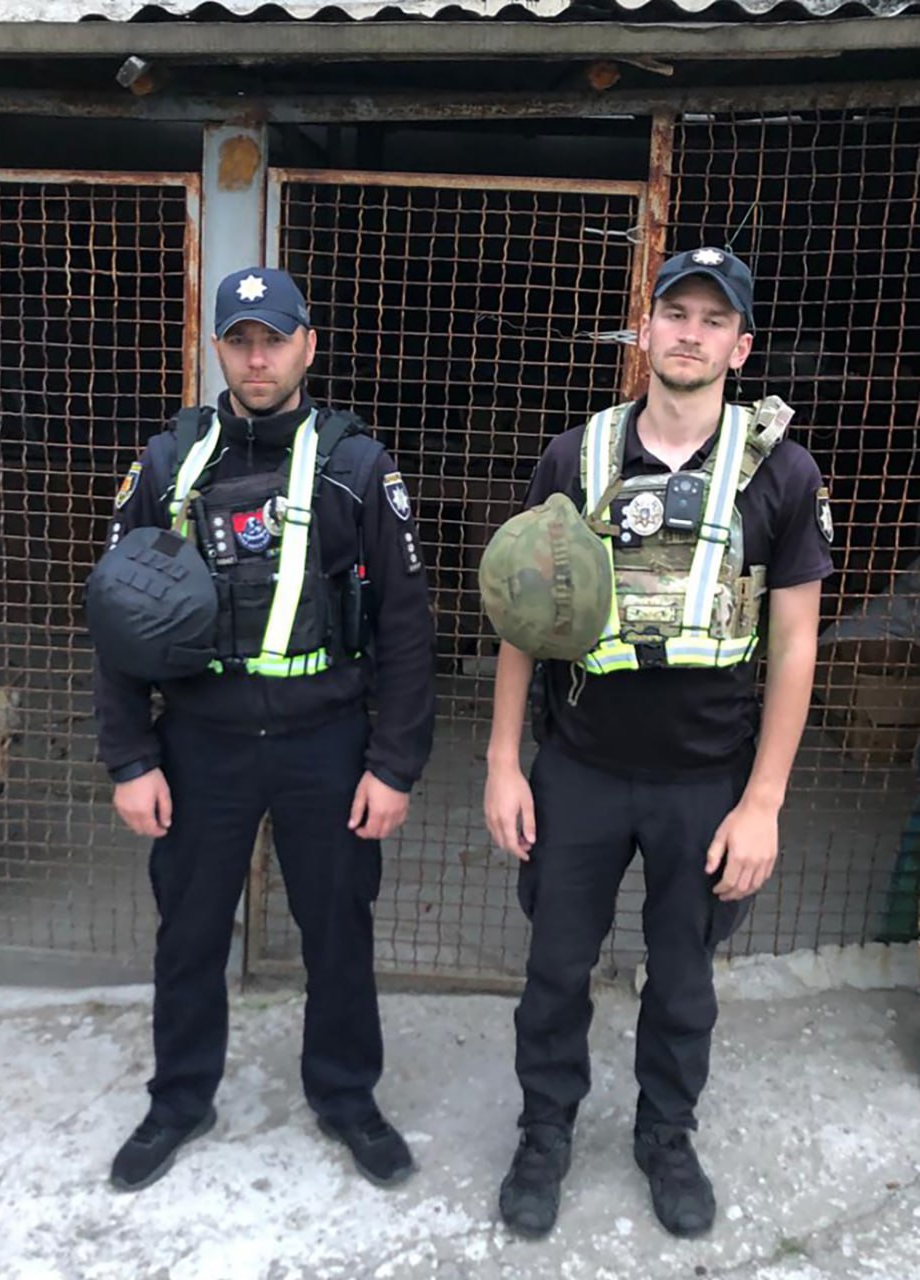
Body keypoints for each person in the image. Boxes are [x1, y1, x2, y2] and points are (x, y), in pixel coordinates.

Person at [482, 247, 833, 1239]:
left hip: (708, 782)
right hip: (581, 768)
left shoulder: (782, 472)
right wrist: (504, 762)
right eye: (675, 313)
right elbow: (522, 619)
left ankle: (666, 1136)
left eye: (714, 320)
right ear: (646, 330)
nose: (690, 334)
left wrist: (763, 801)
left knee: (683, 980)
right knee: (556, 969)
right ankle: (544, 1132)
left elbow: (796, 644)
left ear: (741, 347)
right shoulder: (575, 456)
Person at [91, 266, 435, 1193]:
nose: (256, 359)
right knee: (190, 932)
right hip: (200, 743)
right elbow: (118, 618)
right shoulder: (168, 462)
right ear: (217, 349)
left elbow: (408, 628)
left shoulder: (357, 467)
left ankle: (346, 1098)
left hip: (328, 744)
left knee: (338, 932)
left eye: (273, 340)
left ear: (306, 347)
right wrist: (130, 758)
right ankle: (179, 1100)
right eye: (240, 341)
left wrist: (394, 765)